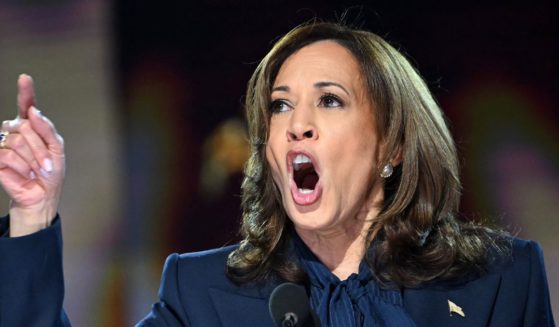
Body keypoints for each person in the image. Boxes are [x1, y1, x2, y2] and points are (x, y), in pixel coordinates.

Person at [0, 22, 554, 326]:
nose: (297, 125)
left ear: (393, 144)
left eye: (330, 101)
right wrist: (32, 214)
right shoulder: (203, 295)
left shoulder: (499, 281)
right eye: (281, 105)